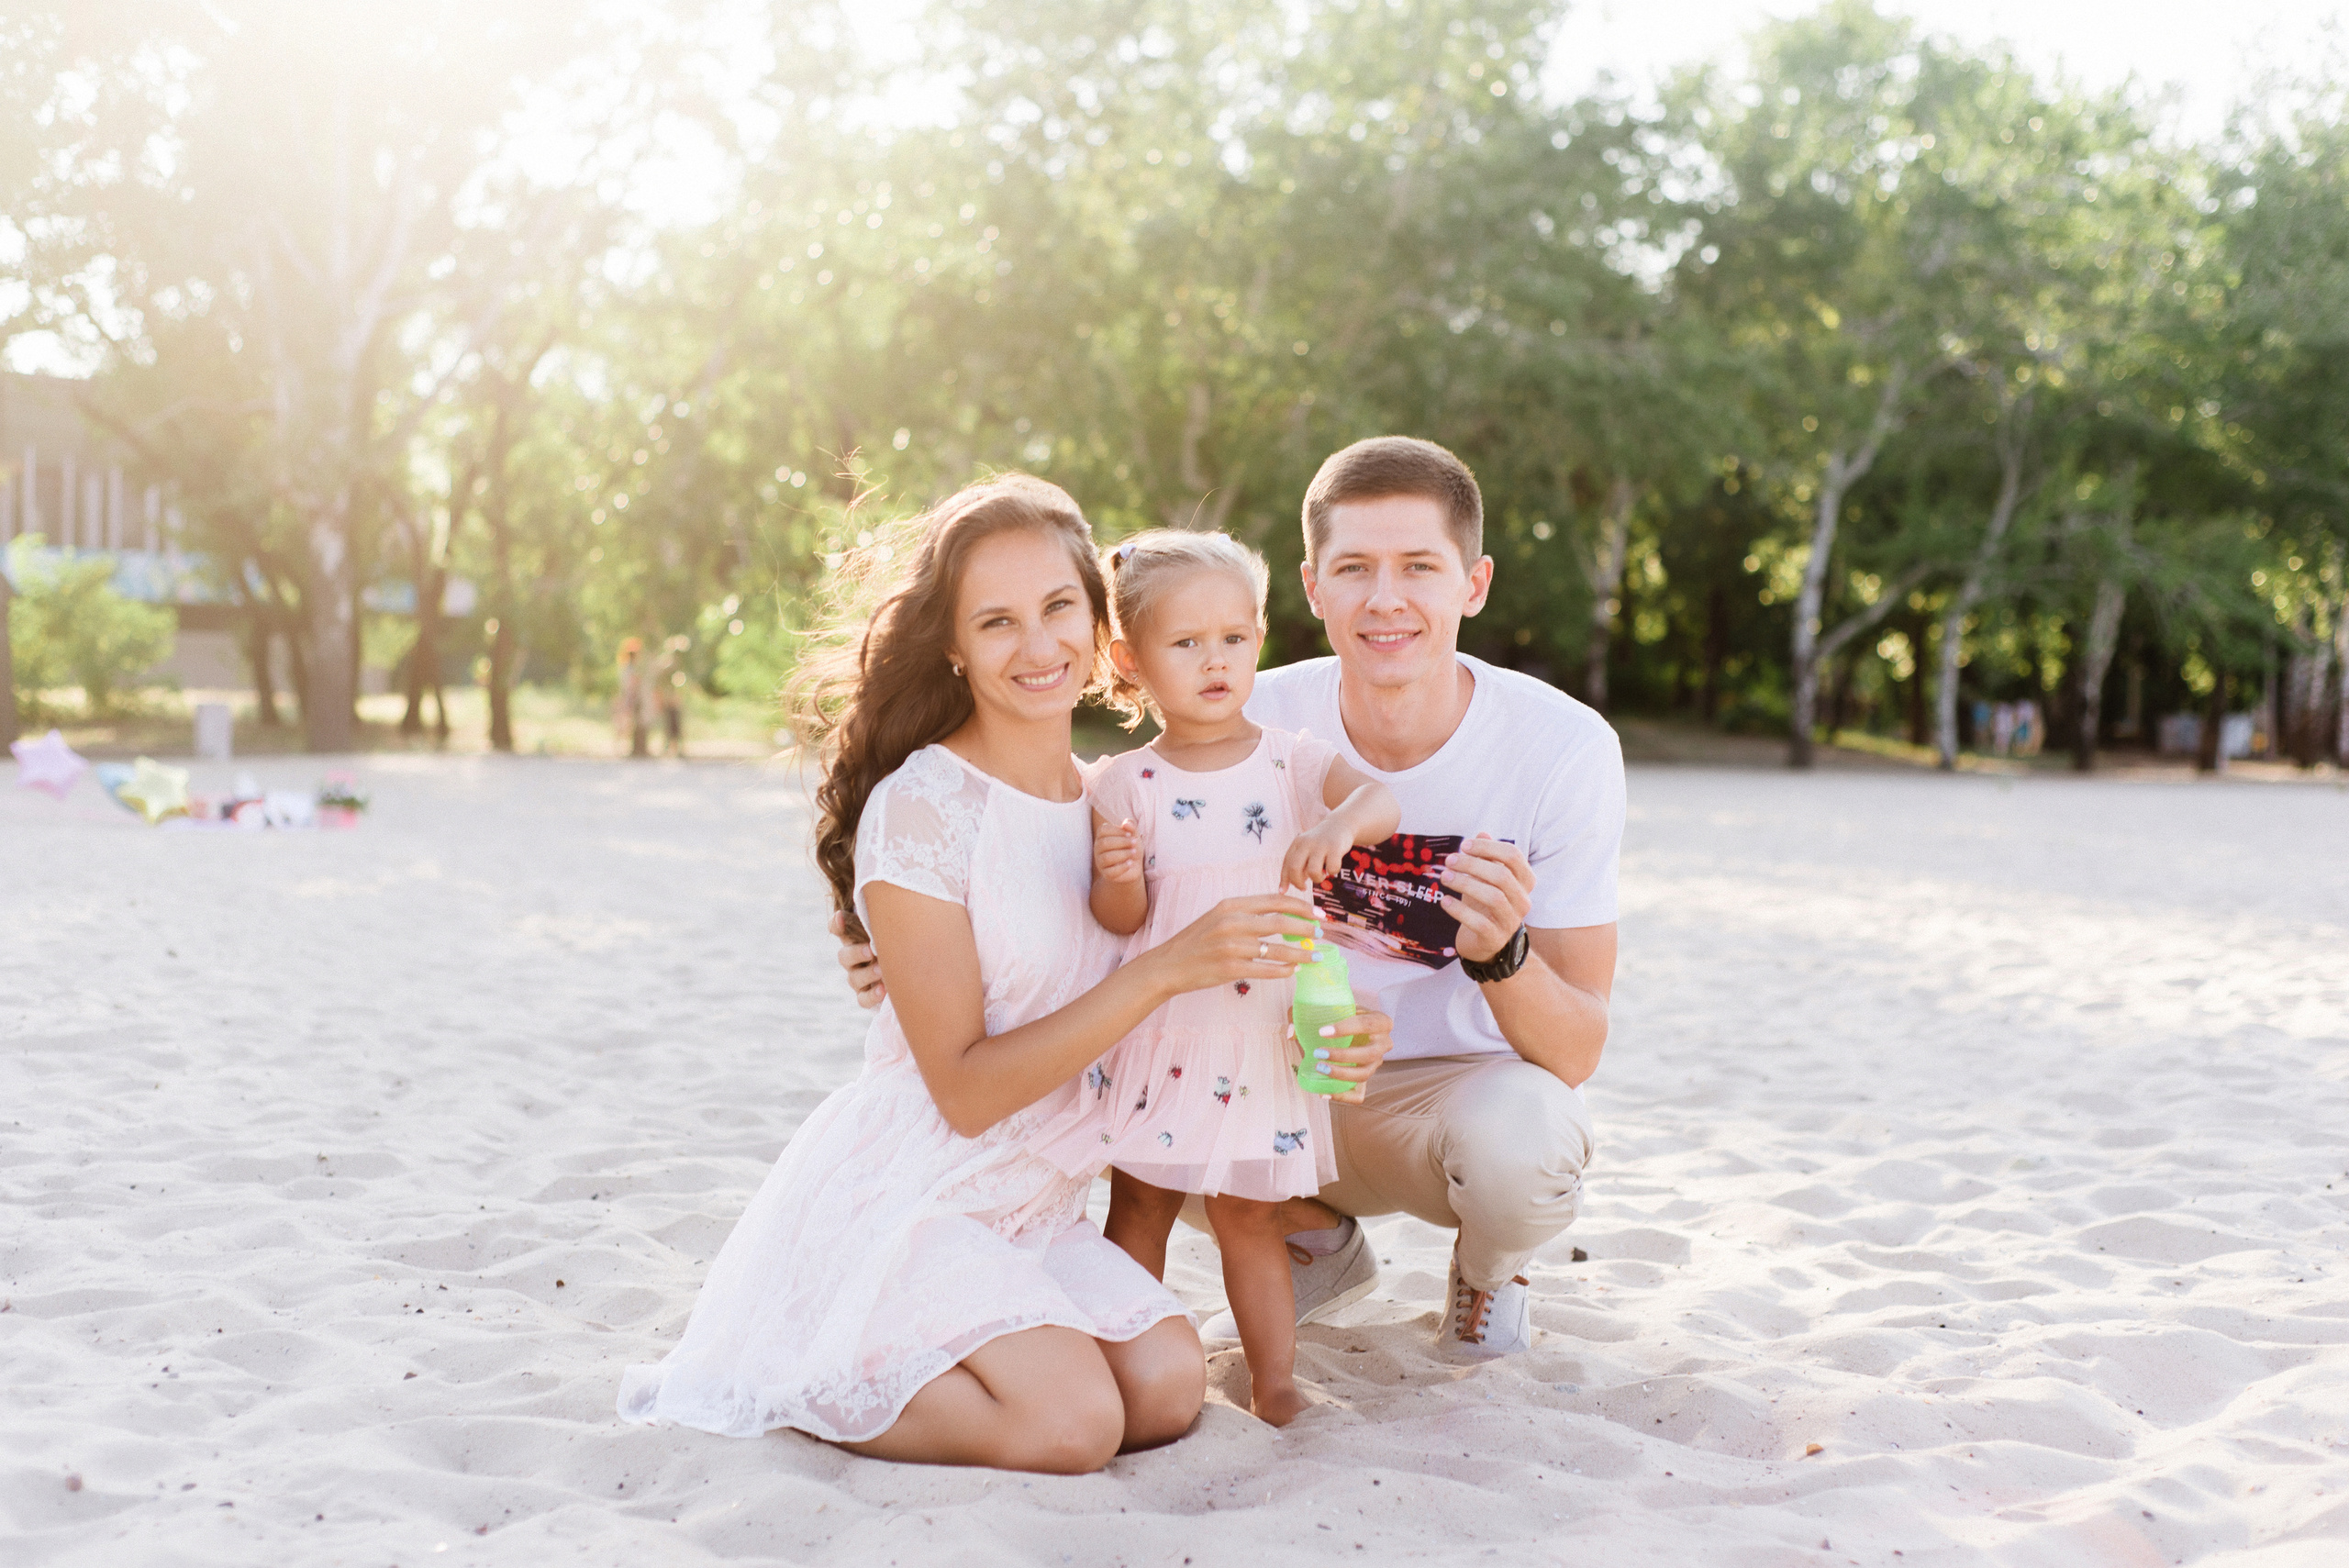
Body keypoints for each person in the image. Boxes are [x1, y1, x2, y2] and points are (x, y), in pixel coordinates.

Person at [619, 474, 1394, 1472]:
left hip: (1039, 1206)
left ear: (1097, 617)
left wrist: (1326, 1020)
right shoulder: (926, 809)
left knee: (1163, 1387)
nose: (1037, 647)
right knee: (1069, 1427)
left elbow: (1231, 976)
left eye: (1057, 608)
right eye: (996, 621)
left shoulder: (1112, 797)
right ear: (952, 642)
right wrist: (1159, 971)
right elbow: (967, 1088)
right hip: (923, 1196)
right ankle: (798, 1366)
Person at [837, 437, 1622, 1362]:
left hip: (1442, 1105)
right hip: (1272, 1066)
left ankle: (1489, 1277)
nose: (1384, 598)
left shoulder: (1560, 746)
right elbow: (1091, 840)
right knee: (1163, 1105)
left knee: (1526, 1145)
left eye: (1418, 567)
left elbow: (1574, 1047)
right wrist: (918, 942)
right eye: (1353, 569)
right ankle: (1315, 1245)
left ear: (1474, 583)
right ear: (1310, 588)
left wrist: (1502, 955)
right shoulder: (1239, 705)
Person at [1028, 529, 1399, 1427]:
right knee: (1142, 1205)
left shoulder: (1289, 758)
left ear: (1259, 639)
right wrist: (1117, 873)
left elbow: (1382, 797)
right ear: (1129, 659)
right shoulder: (1127, 781)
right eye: (1184, 643)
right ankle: (1123, 1359)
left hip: (1259, 1030)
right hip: (1163, 1031)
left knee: (1246, 1216)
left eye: (1233, 637)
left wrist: (1340, 826)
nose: (1214, 660)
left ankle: (1275, 1382)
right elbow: (1120, 924)